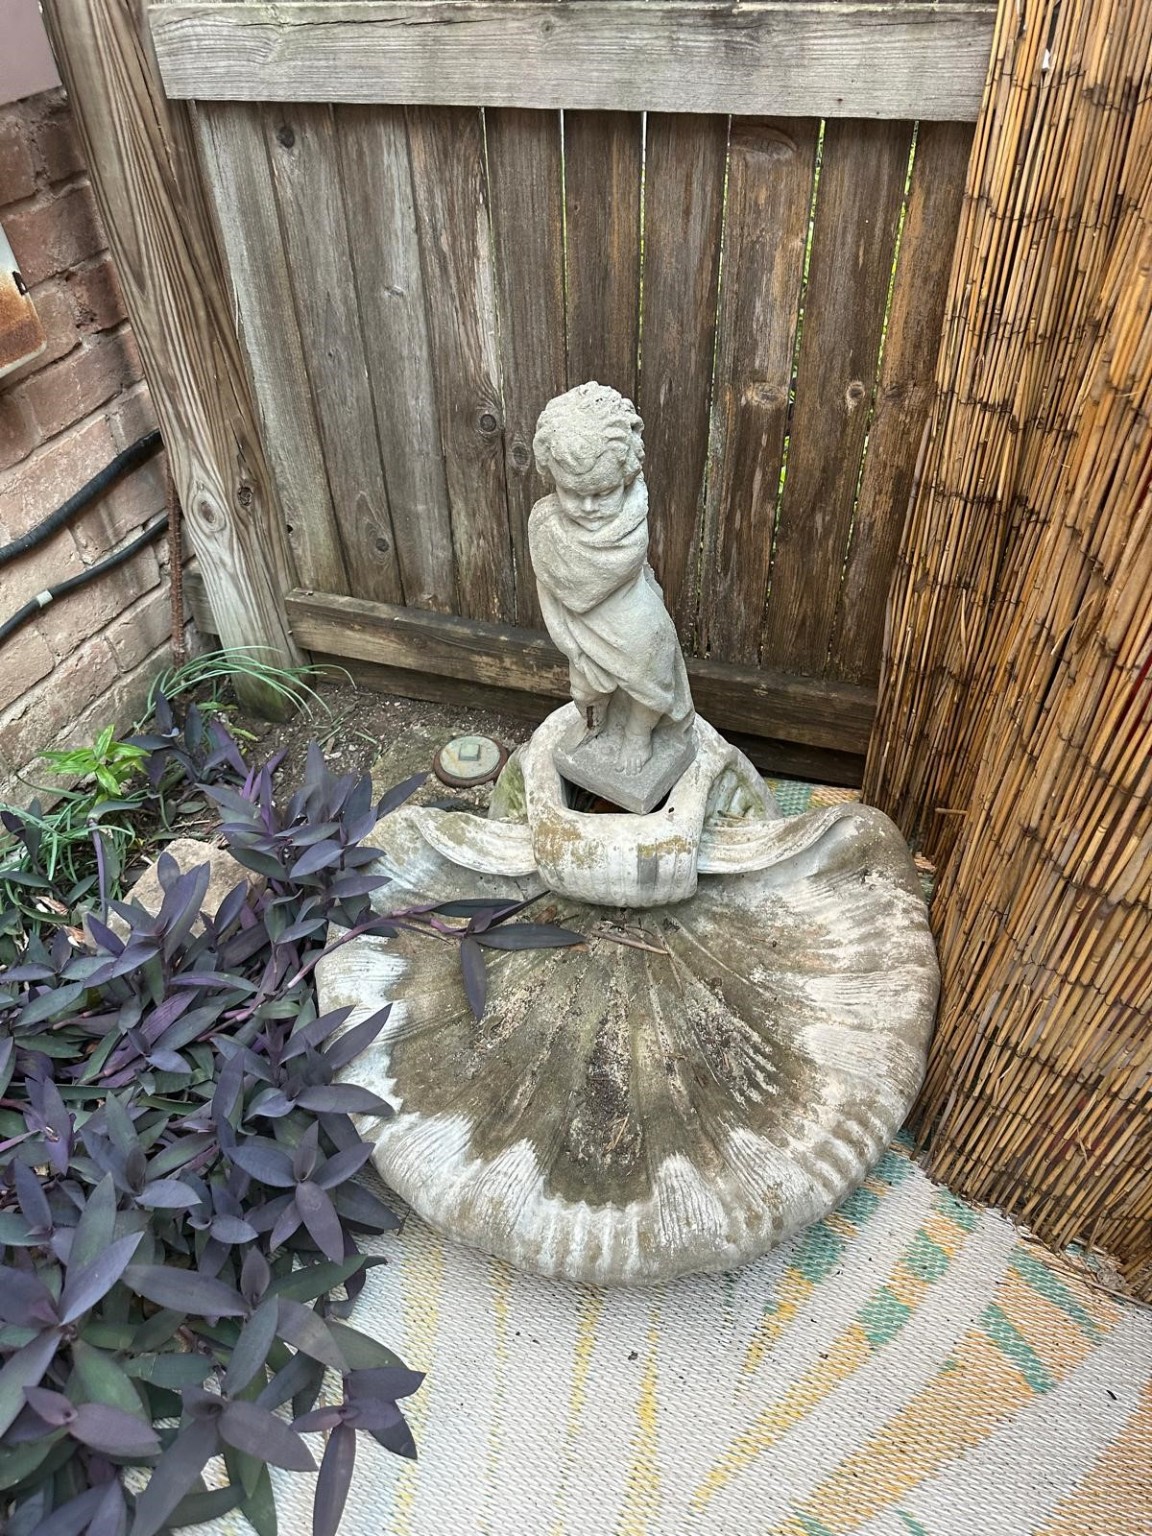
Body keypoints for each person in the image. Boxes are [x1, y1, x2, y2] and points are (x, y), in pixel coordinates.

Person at [530, 382, 694, 777]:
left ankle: (638, 734)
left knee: (650, 675)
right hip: (578, 621)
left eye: (603, 493)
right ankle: (593, 722)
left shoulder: (632, 516)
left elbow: (594, 583)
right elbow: (555, 583)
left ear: (625, 476)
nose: (587, 507)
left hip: (630, 614)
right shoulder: (545, 522)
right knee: (585, 688)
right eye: (572, 493)